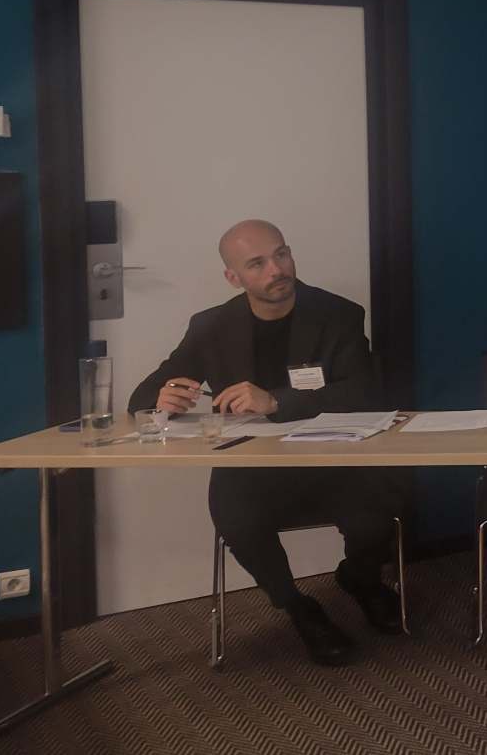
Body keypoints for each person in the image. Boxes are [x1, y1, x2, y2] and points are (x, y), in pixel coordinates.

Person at [127, 219, 403, 666]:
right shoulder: (212, 326)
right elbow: (143, 396)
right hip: (253, 468)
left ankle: (361, 579)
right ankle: (297, 606)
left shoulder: (338, 314)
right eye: (257, 263)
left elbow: (363, 394)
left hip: (332, 459)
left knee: (381, 506)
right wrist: (160, 399)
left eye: (281, 254)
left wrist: (277, 400)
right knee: (235, 517)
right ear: (233, 277)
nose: (277, 269)